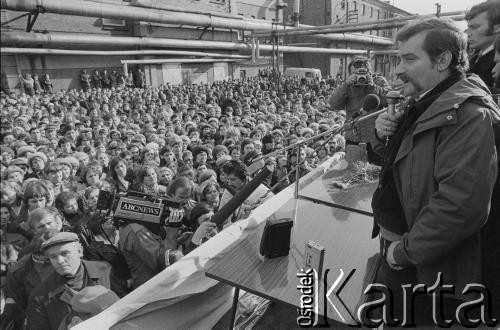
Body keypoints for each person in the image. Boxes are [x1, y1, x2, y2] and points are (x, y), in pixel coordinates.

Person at [370, 17, 499, 326]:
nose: (398, 69)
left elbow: (460, 206)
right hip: (404, 247)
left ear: (443, 59)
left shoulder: (468, 115)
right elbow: (401, 163)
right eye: (400, 58)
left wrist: (402, 253)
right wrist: (379, 134)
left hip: (423, 264)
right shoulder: (430, 101)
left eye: (409, 58)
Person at [25, 232, 114, 330]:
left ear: (80, 251)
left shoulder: (106, 271)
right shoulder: (40, 296)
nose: (60, 261)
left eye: (64, 253)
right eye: (53, 257)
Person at [466, 0, 500, 90]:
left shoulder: (496, 65)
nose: (468, 33)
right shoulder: (474, 58)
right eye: (468, 27)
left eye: (475, 27)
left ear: (497, 28)